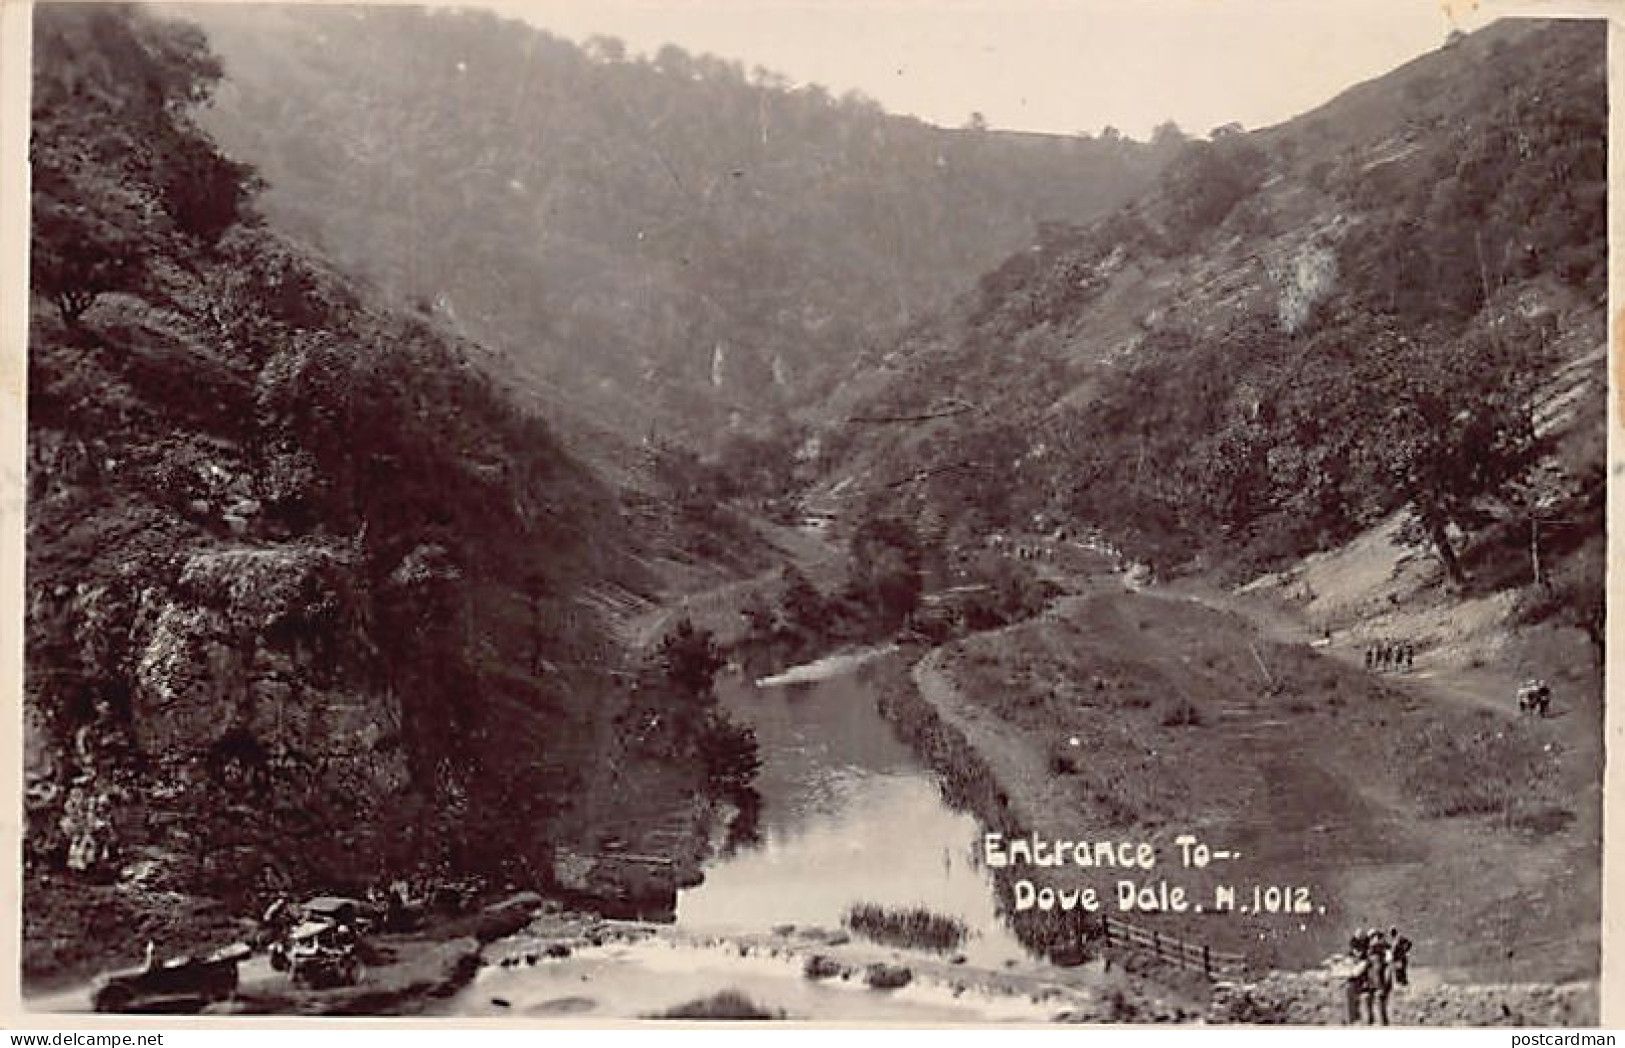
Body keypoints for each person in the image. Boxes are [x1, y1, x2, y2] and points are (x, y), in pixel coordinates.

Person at [1363, 929, 1392, 1025]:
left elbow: (1384, 971)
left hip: (1380, 983)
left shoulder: (1382, 955)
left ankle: (1382, 1022)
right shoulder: (1371, 954)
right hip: (1372, 982)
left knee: (1380, 1002)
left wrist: (1382, 986)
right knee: (1369, 1000)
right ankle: (1372, 1020)